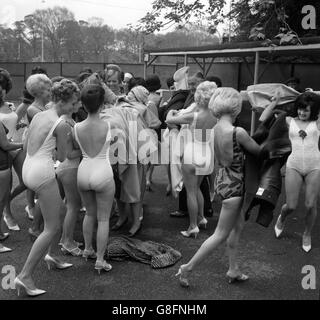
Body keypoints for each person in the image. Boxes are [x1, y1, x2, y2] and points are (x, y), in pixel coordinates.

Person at [175, 87, 261, 288]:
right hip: (237, 186)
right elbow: (259, 151)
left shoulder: (214, 129)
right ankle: (188, 267)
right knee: (221, 233)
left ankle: (233, 268)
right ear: (236, 108)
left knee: (236, 227)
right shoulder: (238, 132)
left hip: (223, 182)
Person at [14, 79, 79, 297]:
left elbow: (25, 144)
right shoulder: (61, 124)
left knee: (58, 212)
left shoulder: (39, 113)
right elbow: (63, 156)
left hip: (28, 167)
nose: (74, 107)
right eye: (72, 103)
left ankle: (52, 256)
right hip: (42, 171)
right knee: (51, 227)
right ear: (61, 100)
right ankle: (24, 276)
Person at [262, 91, 320, 252]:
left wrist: (313, 93)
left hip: (314, 166)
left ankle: (307, 234)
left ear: (314, 110)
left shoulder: (318, 122)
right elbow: (264, 117)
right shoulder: (288, 120)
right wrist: (275, 102)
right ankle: (282, 217)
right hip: (294, 165)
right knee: (292, 205)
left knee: (310, 205)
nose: (302, 112)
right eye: (300, 108)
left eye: (306, 109)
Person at [166, 82, 217, 237]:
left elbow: (169, 121)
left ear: (198, 97)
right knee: (199, 188)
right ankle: (201, 218)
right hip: (207, 154)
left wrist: (172, 112)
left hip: (192, 153)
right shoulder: (216, 116)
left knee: (190, 192)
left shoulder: (193, 116)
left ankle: (193, 226)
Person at [74, 84, 115, 273]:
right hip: (102, 171)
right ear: (102, 104)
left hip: (83, 171)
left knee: (89, 214)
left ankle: (87, 249)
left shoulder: (76, 126)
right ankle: (100, 259)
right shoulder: (108, 124)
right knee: (104, 218)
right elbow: (114, 141)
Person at [56, 97, 83, 256]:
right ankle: (66, 242)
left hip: (68, 168)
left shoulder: (69, 121)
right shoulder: (65, 124)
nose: (81, 104)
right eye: (78, 101)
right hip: (69, 168)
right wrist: (90, 149)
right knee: (73, 206)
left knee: (71, 206)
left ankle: (67, 239)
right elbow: (69, 154)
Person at [0, 68, 24, 231]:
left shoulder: (9, 105)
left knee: (27, 181)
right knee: (4, 188)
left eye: (2, 86)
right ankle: (7, 213)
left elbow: (10, 125)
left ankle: (8, 204)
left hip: (16, 146)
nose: (1, 90)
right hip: (5, 150)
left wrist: (18, 124)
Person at [0, 119, 23, 253]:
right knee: (1, 201)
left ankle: (1, 232)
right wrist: (23, 144)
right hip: (1, 166)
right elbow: (6, 145)